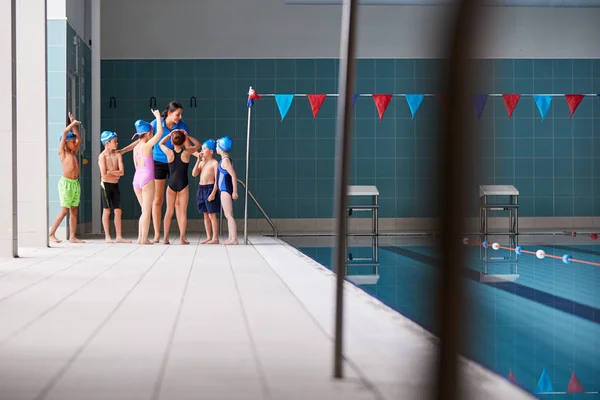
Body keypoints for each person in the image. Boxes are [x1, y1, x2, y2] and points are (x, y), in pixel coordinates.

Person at [151, 101, 190, 243]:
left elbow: (188, 147)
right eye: (177, 114)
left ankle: (182, 236)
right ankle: (157, 234)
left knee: (178, 204)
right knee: (157, 200)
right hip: (159, 162)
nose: (179, 117)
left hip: (175, 162)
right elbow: (145, 140)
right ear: (169, 113)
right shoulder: (156, 123)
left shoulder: (182, 125)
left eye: (181, 114)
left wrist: (201, 157)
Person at [159, 129, 200, 244]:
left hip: (171, 184)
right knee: (182, 212)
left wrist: (169, 134)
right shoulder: (187, 153)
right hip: (183, 184)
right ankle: (182, 238)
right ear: (183, 142)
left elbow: (160, 143)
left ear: (172, 141)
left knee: (169, 211)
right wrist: (188, 136)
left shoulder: (169, 153)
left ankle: (166, 238)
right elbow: (198, 145)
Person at [49, 112, 85, 244]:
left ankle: (72, 236)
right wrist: (71, 125)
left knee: (74, 210)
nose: (75, 143)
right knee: (64, 211)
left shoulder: (73, 152)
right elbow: (64, 135)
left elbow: (79, 139)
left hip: (75, 183)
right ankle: (51, 233)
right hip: (66, 184)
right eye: (72, 141)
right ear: (65, 143)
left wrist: (74, 124)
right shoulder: (62, 152)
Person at [131, 110, 164, 245]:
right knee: (146, 211)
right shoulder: (147, 145)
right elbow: (160, 134)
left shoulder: (136, 148)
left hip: (137, 179)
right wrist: (157, 118)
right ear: (149, 133)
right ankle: (144, 239)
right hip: (147, 179)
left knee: (143, 211)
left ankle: (141, 238)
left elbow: (136, 166)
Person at [98, 131, 131, 243]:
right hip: (105, 185)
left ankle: (119, 236)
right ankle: (107, 236)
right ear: (106, 143)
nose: (117, 143)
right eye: (114, 141)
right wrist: (114, 172)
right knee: (106, 210)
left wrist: (110, 171)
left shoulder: (118, 155)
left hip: (115, 185)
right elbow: (104, 174)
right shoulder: (102, 157)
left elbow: (122, 172)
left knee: (118, 211)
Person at [209, 136, 238, 245]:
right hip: (224, 189)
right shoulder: (225, 160)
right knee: (228, 214)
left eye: (217, 146)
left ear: (221, 148)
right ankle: (231, 237)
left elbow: (233, 175)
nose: (216, 148)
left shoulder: (225, 161)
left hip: (226, 190)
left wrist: (235, 191)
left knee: (229, 215)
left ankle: (234, 239)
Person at [192, 139, 220, 244]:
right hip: (201, 189)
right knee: (205, 215)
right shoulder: (202, 162)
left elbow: (217, 180)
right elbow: (194, 174)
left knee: (212, 215)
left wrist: (213, 193)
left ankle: (215, 238)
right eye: (202, 149)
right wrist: (198, 160)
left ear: (211, 152)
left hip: (210, 188)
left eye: (204, 149)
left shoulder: (214, 163)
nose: (202, 151)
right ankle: (209, 236)